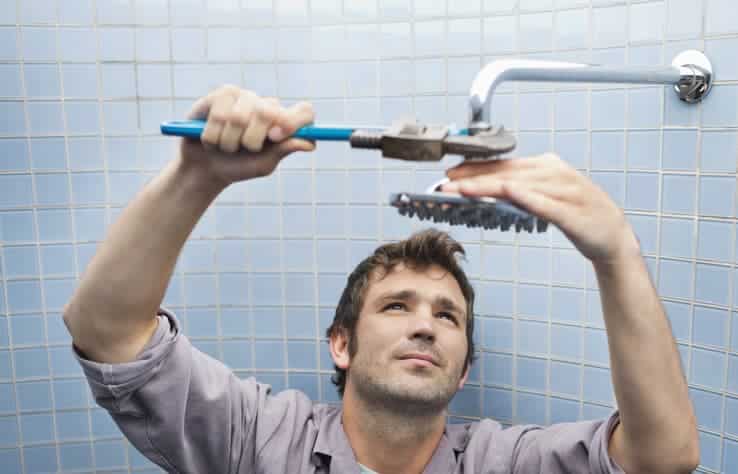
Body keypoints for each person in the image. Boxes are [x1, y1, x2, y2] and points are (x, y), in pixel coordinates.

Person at [63, 85, 699, 474]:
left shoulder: (503, 463)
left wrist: (616, 252)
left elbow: (663, 458)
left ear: (464, 368)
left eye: (447, 316)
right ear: (342, 343)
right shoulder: (257, 442)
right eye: (397, 305)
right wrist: (195, 178)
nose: (426, 323)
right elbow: (106, 331)